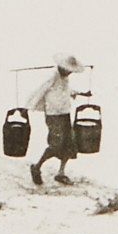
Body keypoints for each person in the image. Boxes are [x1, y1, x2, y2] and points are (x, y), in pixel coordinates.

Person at [28, 54, 90, 186]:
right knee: (56, 143)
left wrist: (79, 93)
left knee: (69, 143)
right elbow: (40, 91)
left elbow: (66, 90)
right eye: (68, 70)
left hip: (65, 112)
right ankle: (36, 167)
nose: (69, 73)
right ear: (62, 67)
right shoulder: (52, 76)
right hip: (53, 115)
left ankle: (61, 173)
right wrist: (28, 107)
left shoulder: (65, 78)